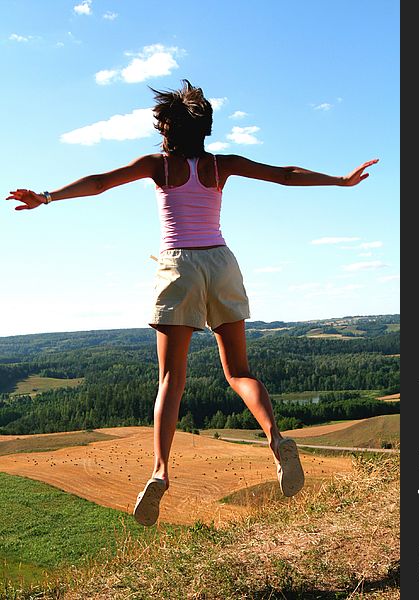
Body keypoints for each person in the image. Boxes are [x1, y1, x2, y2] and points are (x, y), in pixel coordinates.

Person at [6, 79, 378, 526]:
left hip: (178, 264)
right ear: (205, 130)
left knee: (171, 380)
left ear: (167, 129)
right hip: (221, 263)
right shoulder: (223, 165)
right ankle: (276, 438)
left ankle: (161, 472)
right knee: (239, 372)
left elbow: (101, 183)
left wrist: (46, 197)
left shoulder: (158, 166)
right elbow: (286, 173)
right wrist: (339, 180)